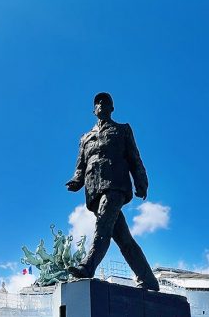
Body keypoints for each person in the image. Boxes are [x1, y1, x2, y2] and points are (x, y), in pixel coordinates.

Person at [65, 92, 159, 290]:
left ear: (111, 108)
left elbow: (134, 158)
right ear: (94, 110)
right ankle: (148, 279)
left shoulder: (122, 130)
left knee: (103, 227)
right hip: (94, 189)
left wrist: (141, 182)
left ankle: (87, 267)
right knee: (124, 240)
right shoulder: (85, 138)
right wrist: (76, 181)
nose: (101, 104)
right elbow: (80, 166)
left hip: (115, 185)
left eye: (105, 102)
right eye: (98, 102)